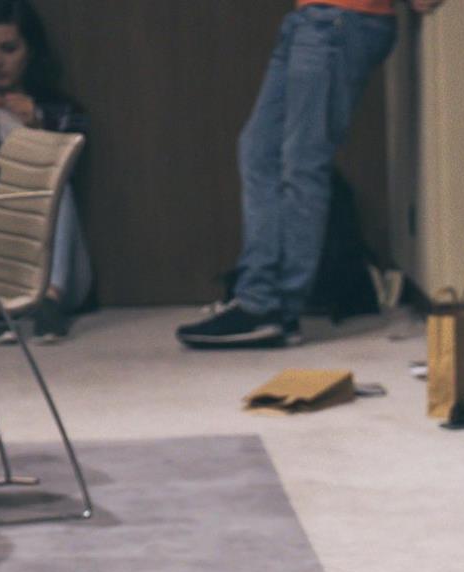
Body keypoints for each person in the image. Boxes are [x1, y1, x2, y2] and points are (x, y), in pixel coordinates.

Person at [179, 0, 445, 350]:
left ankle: (273, 307)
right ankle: (260, 298)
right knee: (258, 151)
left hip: (341, 20)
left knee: (303, 162)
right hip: (309, 20)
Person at [0, 0, 88, 340]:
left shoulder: (60, 112)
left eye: (8, 49)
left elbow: (79, 169)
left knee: (57, 184)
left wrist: (39, 128)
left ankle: (49, 302)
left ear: (29, 50)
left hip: (57, 270)